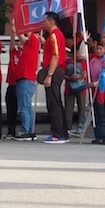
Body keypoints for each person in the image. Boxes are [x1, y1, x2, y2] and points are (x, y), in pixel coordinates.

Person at [40, 12, 69, 144]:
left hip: (54, 70)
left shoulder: (55, 35)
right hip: (56, 69)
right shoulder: (53, 36)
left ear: (51, 22)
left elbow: (56, 56)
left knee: (54, 103)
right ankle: (62, 132)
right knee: (56, 101)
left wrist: (49, 75)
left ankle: (58, 133)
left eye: (45, 20)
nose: (43, 23)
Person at [12, 31, 40, 141]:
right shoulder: (28, 46)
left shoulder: (33, 44)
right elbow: (22, 36)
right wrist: (16, 29)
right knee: (27, 106)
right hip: (24, 79)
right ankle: (29, 130)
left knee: (24, 106)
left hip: (26, 79)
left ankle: (25, 131)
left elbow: (28, 32)